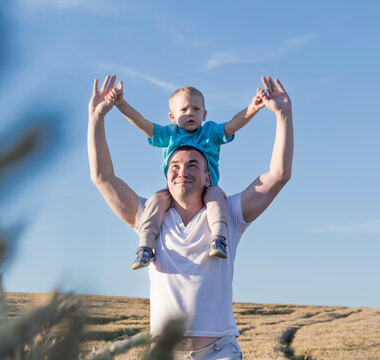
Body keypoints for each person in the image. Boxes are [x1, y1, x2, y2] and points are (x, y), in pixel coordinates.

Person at [88, 74, 293, 359]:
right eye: (175, 165)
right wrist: (97, 118)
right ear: (166, 175)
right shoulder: (150, 215)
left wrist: (283, 115)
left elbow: (278, 176)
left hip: (219, 352)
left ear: (208, 177)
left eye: (193, 164)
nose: (182, 170)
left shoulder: (229, 214)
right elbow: (103, 177)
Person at [105, 80, 264, 270]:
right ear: (172, 116)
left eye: (196, 109)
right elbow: (143, 125)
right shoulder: (170, 134)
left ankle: (219, 239)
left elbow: (232, 126)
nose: (190, 113)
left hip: (206, 187)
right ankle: (146, 247)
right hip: (176, 190)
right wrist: (121, 104)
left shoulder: (210, 133)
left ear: (204, 114)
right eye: (184, 110)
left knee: (216, 198)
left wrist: (253, 108)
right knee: (155, 201)